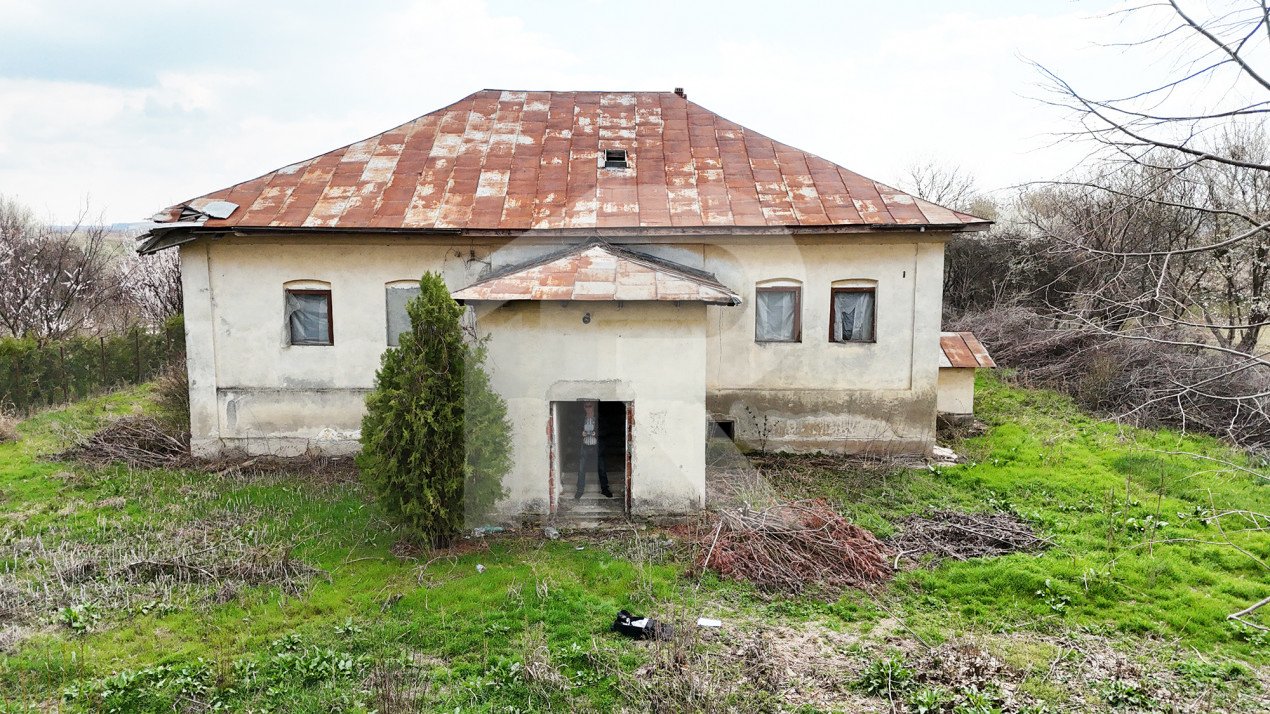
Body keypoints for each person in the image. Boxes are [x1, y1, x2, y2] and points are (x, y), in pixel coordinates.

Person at [575, 400, 613, 499]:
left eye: (590, 406)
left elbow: (607, 430)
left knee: (601, 468)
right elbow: (574, 431)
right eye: (586, 406)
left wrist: (596, 433)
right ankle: (579, 490)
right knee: (581, 469)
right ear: (584, 407)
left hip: (597, 447)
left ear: (593, 406)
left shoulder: (599, 418)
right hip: (585, 446)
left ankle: (605, 489)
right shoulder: (581, 418)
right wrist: (580, 433)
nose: (588, 408)